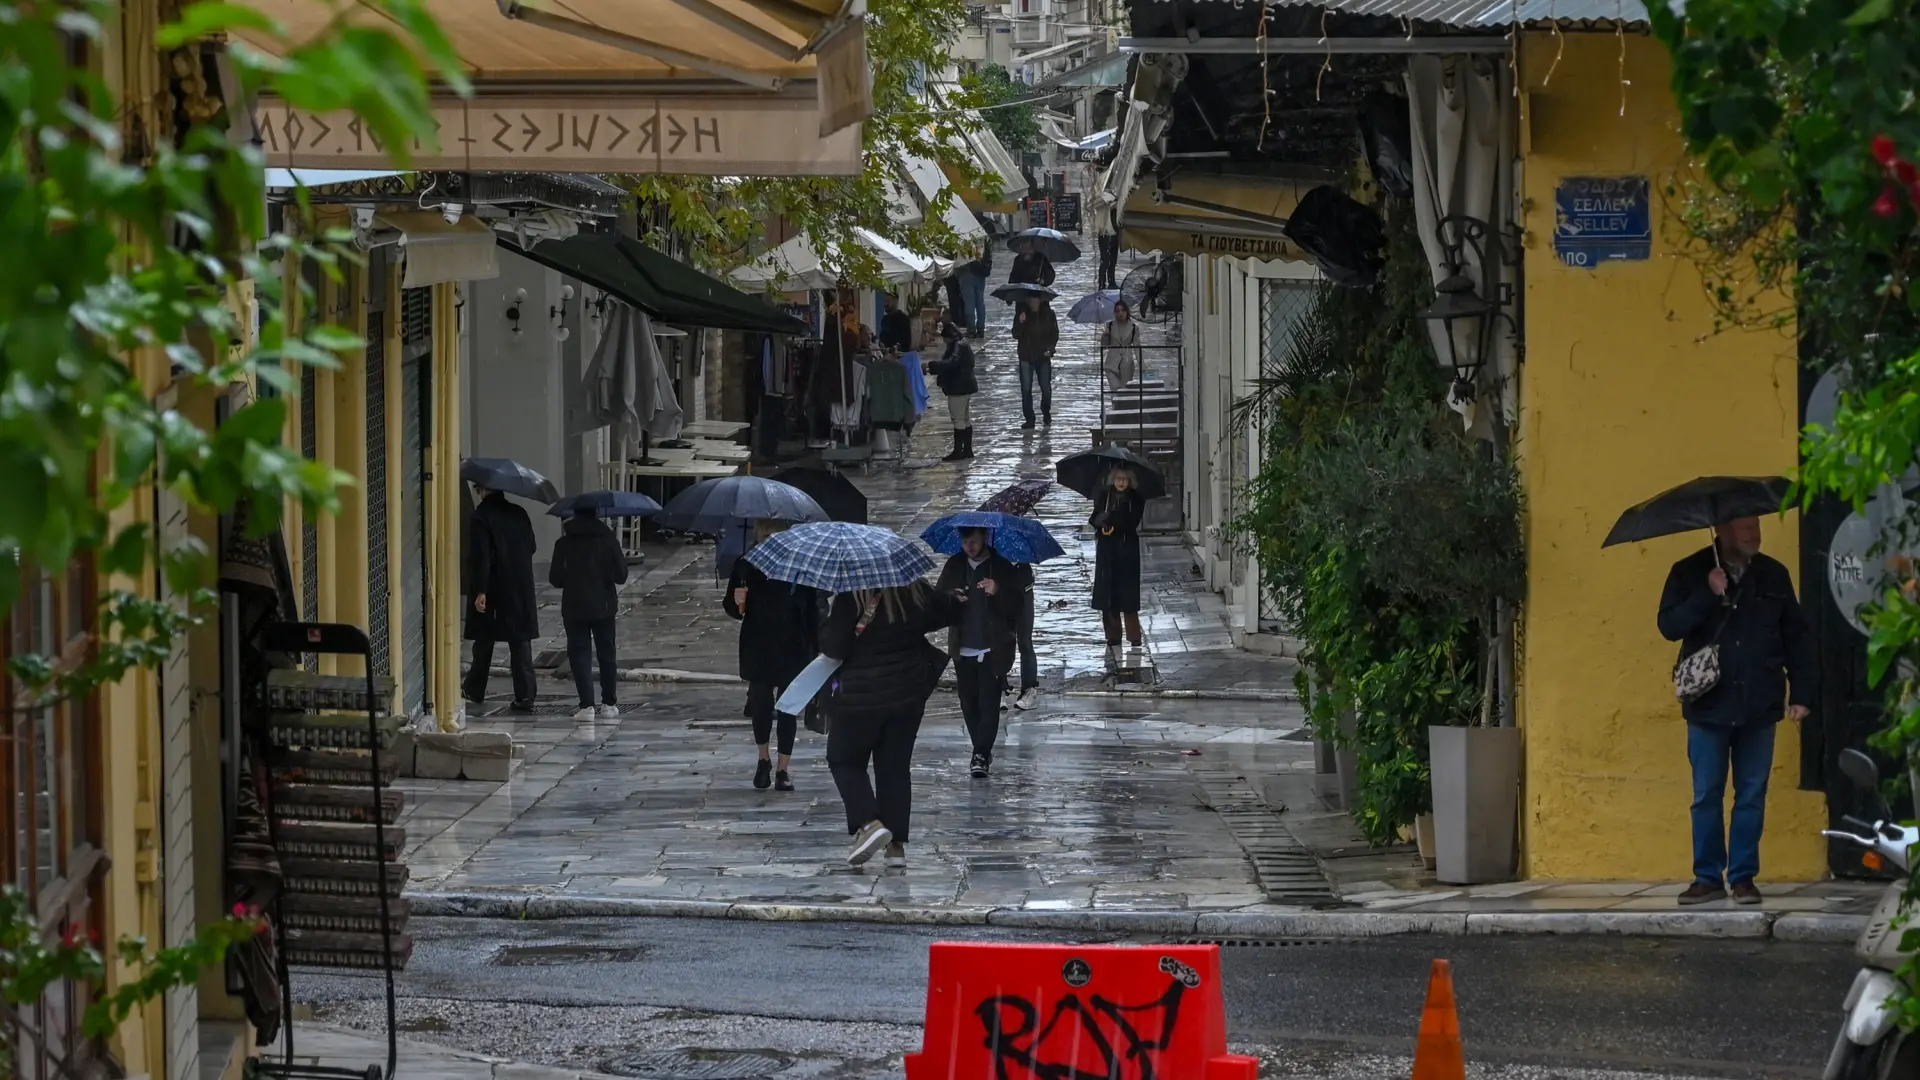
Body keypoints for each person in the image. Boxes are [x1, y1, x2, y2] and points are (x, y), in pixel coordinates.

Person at [1657, 515, 1814, 906]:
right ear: (1721, 530)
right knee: (1707, 793)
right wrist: (1706, 593)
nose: (1754, 533)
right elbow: (1669, 625)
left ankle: (1743, 877)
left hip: (1759, 702)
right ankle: (1707, 877)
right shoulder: (1689, 571)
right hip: (1709, 704)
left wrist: (1803, 692)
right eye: (1745, 527)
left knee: (1751, 794)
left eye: (1756, 525)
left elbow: (1796, 635)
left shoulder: (1774, 575)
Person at [820, 580, 963, 867]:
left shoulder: (852, 598)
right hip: (907, 694)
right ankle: (896, 848)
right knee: (894, 767)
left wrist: (824, 624)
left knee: (843, 759)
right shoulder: (912, 591)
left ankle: (870, 824)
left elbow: (835, 646)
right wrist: (958, 597)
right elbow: (943, 612)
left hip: (861, 698)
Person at [725, 520, 820, 791]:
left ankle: (783, 769)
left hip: (794, 646)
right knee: (762, 704)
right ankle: (764, 759)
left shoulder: (801, 565)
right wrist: (739, 600)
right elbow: (732, 609)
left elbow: (813, 609)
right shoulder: (747, 565)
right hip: (760, 644)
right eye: (766, 533)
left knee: (788, 708)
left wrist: (818, 649)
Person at [935, 528, 1027, 778]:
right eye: (965, 541)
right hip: (962, 646)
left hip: (993, 647)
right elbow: (937, 601)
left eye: (973, 540)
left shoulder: (1002, 567)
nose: (969, 546)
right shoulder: (955, 565)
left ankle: (980, 755)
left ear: (985, 538)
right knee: (968, 703)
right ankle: (981, 747)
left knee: (988, 704)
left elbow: (1016, 607)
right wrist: (953, 598)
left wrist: (997, 590)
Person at [463, 484, 540, 711]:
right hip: (520, 588)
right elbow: (532, 546)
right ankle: (526, 696)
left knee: (484, 643)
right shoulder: (519, 513)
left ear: (483, 490)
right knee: (520, 644)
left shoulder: (480, 518)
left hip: (495, 590)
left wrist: (480, 591)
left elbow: (481, 557)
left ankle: (474, 690)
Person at [547, 506, 629, 721]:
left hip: (574, 605)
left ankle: (587, 707)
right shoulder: (609, 541)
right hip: (604, 605)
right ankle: (609, 704)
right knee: (607, 654)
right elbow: (621, 576)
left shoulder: (563, 543)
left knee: (579, 654)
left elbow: (555, 579)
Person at [1091, 467, 1147, 664]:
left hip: (1126, 551)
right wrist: (1101, 521)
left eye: (1124, 479)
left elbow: (1132, 522)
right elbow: (1093, 518)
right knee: (1108, 594)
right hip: (1107, 551)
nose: (1121, 482)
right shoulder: (1104, 496)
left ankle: (1134, 636)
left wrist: (1114, 518)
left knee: (1128, 595)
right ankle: (1113, 635)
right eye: (1118, 479)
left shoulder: (1136, 498)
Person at [925, 319, 977, 462]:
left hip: (958, 387)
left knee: (958, 419)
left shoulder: (957, 347)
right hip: (966, 386)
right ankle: (967, 449)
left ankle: (959, 451)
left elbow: (952, 362)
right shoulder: (963, 344)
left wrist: (934, 365)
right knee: (965, 419)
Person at [1012, 294, 1059, 430]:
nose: (1033, 301)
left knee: (1045, 388)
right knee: (1026, 389)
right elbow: (1015, 334)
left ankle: (1046, 411)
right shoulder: (1022, 314)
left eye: (1035, 298)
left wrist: (1050, 349)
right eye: (1030, 299)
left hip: (1043, 356)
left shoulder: (1049, 314)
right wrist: (1021, 323)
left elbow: (1054, 333)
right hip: (1026, 356)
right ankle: (1029, 418)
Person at [1100, 299, 1144, 391]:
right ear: (1115, 313)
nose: (1120, 313)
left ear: (1127, 312)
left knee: (1125, 391)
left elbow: (1137, 347)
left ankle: (1123, 405)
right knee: (1114, 389)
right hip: (1111, 364)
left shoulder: (1134, 328)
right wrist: (1105, 335)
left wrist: (1142, 364)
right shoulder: (1110, 326)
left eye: (1123, 310)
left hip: (1127, 363)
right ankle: (1115, 405)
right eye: (1117, 311)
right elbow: (1104, 346)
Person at [961, 235, 993, 338]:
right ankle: (980, 328)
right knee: (980, 301)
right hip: (980, 273)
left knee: (969, 303)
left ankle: (971, 329)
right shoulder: (984, 238)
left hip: (967, 272)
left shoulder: (965, 236)